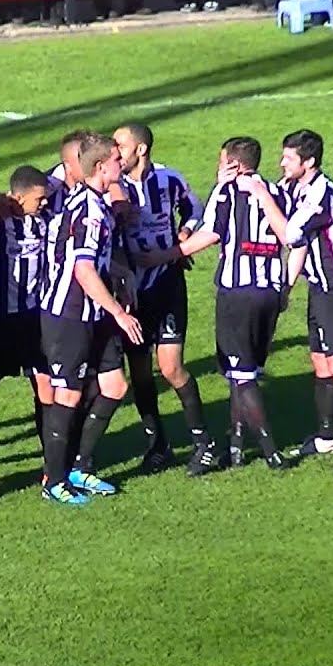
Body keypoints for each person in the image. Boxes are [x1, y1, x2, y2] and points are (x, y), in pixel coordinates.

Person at [146, 137, 299, 474]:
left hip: (237, 294)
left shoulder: (226, 192)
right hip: (271, 292)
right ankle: (236, 447)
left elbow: (210, 234)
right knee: (241, 372)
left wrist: (163, 256)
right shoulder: (280, 191)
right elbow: (293, 237)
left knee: (242, 377)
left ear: (234, 164)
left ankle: (271, 450)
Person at [256, 129, 333, 478]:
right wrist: (286, 287)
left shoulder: (321, 194)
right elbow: (299, 245)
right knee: (320, 362)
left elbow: (291, 235)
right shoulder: (296, 187)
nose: (281, 163)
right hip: (319, 287)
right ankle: (328, 437)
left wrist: (261, 194)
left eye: (288, 158)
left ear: (308, 162)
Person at [39, 132, 144, 505]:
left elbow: (94, 259)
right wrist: (117, 311)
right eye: (117, 159)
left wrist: (122, 276)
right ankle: (54, 480)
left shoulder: (91, 201)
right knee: (67, 396)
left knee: (114, 387)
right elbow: (83, 269)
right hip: (70, 315)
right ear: (102, 167)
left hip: (94, 313)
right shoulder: (91, 211)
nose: (123, 163)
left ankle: (81, 466)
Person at [112, 123, 213, 472]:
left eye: (120, 145)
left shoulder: (170, 179)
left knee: (171, 368)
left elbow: (197, 210)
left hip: (168, 284)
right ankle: (157, 445)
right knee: (139, 371)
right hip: (132, 291)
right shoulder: (113, 186)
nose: (115, 152)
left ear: (140, 149)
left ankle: (204, 442)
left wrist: (181, 237)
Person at [0, 166, 56, 459]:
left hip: (33, 321)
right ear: (18, 197)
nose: (44, 203)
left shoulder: (46, 221)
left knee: (47, 390)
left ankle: (54, 463)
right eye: (39, 199)